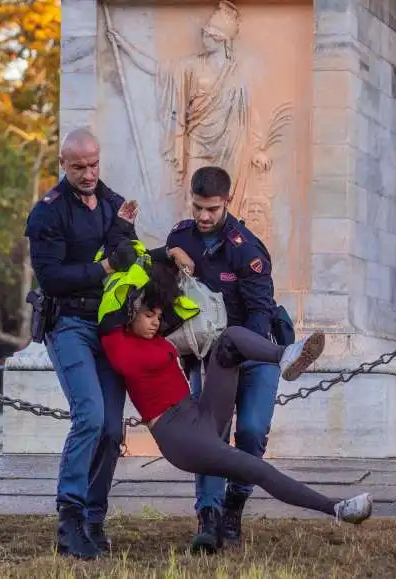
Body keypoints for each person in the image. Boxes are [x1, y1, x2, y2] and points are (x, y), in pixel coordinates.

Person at [98, 262, 373, 535]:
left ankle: (285, 354)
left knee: (228, 340)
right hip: (180, 436)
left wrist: (171, 256)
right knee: (255, 468)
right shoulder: (115, 340)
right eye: (149, 315)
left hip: (199, 413)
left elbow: (156, 272)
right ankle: (337, 509)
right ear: (131, 312)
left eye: (158, 315)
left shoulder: (154, 337)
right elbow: (118, 290)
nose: (156, 322)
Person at [148, 165, 286, 552]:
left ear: (228, 201)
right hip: (206, 353)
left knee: (253, 433)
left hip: (253, 349)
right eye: (198, 207)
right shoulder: (181, 237)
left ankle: (234, 508)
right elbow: (158, 282)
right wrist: (167, 256)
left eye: (212, 208)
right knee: (209, 436)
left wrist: (238, 356)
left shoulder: (249, 250)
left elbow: (261, 311)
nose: (204, 217)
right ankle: (207, 518)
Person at [24, 128, 140, 559]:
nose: (89, 173)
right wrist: (108, 264)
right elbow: (51, 277)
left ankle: (94, 518)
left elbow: (126, 255)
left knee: (112, 430)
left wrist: (126, 236)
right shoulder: (47, 214)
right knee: (89, 415)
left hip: (110, 326)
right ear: (63, 164)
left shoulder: (114, 204)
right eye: (79, 167)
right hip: (69, 323)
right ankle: (68, 518)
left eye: (94, 164)